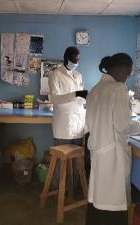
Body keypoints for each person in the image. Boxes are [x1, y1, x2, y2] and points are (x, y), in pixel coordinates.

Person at [85, 53, 140, 225]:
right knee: (112, 201)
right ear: (123, 69)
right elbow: (123, 126)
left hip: (98, 151)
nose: (126, 79)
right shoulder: (118, 89)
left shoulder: (95, 89)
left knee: (98, 197)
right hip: (112, 155)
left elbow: (89, 123)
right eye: (128, 74)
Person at [48, 46, 88, 189]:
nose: (76, 62)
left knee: (77, 160)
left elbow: (80, 99)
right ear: (66, 58)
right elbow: (55, 99)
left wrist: (85, 97)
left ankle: (74, 188)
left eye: (78, 60)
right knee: (61, 161)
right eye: (73, 59)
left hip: (78, 122)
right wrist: (76, 94)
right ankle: (58, 188)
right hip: (64, 123)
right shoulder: (55, 74)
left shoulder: (78, 75)